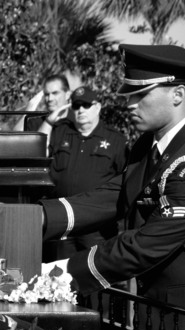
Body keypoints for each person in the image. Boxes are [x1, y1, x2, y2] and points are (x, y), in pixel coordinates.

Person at [41, 44, 185, 329]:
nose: (129, 105)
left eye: (141, 95)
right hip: (165, 316)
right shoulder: (149, 146)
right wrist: (38, 218)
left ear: (178, 95)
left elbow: (146, 245)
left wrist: (64, 271)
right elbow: (114, 196)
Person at [42, 86, 128, 260]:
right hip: (62, 223)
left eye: (86, 105)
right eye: (76, 105)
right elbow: (35, 151)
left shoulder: (116, 140)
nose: (80, 110)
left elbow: (126, 182)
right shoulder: (60, 132)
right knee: (57, 278)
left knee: (96, 278)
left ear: (97, 107)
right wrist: (49, 122)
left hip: (97, 228)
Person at [13, 75, 74, 148]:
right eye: (47, 94)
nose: (50, 99)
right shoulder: (36, 123)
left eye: (55, 93)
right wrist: (27, 112)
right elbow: (14, 141)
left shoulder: (76, 123)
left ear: (67, 94)